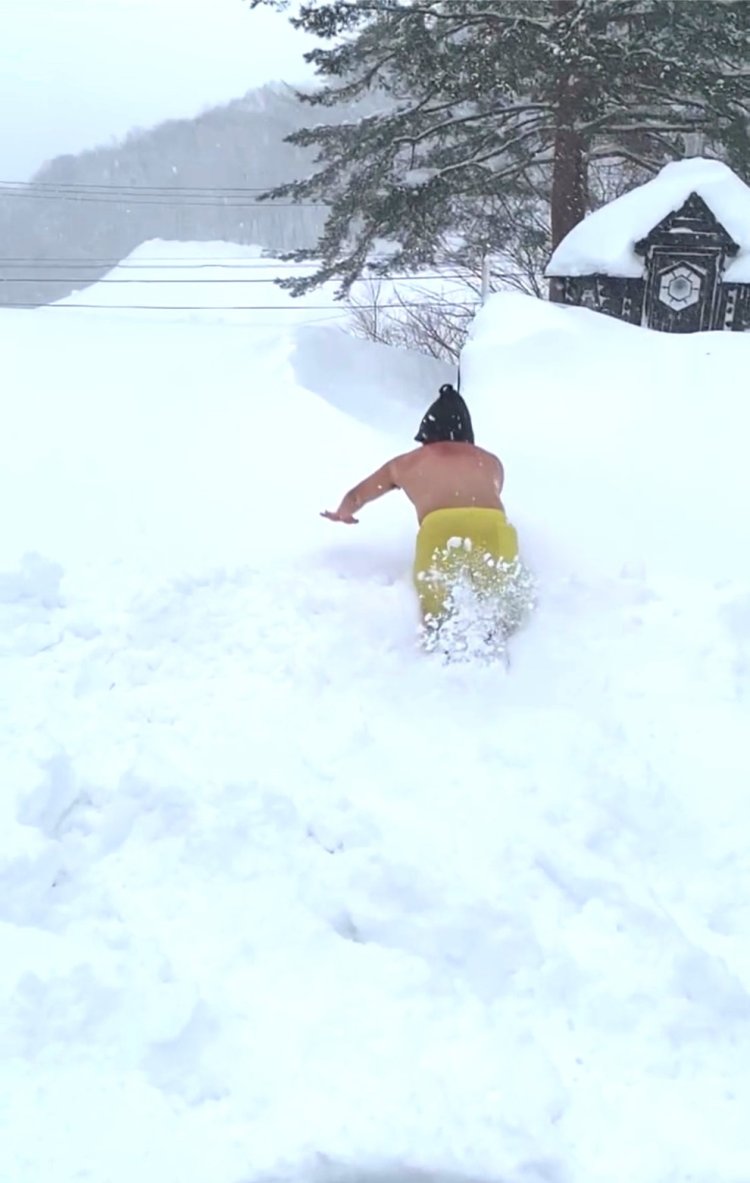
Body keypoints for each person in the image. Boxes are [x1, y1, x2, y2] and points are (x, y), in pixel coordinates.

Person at [322, 384, 520, 639]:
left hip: (439, 530)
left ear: (426, 432)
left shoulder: (405, 463)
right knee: (501, 609)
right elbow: (490, 495)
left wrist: (343, 513)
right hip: (493, 526)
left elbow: (357, 495)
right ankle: (508, 658)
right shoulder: (491, 462)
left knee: (436, 618)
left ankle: (438, 659)